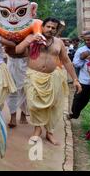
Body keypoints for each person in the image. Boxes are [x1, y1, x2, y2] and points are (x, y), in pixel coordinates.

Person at [16, 17, 82, 145]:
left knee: (52, 106)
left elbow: (66, 61)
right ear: (42, 27)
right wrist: (30, 41)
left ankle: (49, 132)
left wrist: (75, 79)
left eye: (54, 28)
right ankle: (37, 130)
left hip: (53, 77)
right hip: (33, 77)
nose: (51, 30)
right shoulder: (32, 38)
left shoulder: (58, 43)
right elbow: (18, 50)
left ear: (56, 30)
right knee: (34, 105)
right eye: (48, 27)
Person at [69, 32, 90, 119]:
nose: (87, 42)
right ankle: (74, 114)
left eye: (89, 40)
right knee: (79, 99)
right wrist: (82, 58)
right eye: (85, 40)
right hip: (85, 80)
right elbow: (75, 64)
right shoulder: (81, 50)